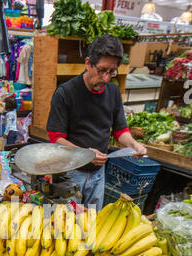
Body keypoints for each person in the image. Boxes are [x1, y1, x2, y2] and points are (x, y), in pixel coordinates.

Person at [46, 34, 147, 211]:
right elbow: (56, 138)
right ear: (88, 63)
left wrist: (134, 145)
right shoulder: (65, 93)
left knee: (93, 224)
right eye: (101, 70)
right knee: (69, 226)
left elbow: (120, 130)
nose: (106, 78)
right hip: (70, 174)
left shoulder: (113, 92)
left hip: (98, 174)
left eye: (112, 72)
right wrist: (85, 154)